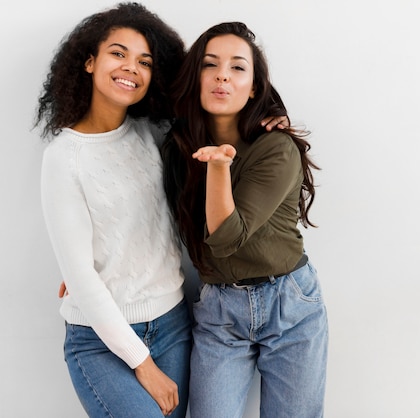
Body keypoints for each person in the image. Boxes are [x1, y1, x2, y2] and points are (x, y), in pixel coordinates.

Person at [161, 21, 329, 418]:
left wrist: (219, 166)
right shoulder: (175, 148)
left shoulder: (276, 147)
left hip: (290, 305)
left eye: (238, 67)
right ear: (195, 78)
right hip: (219, 309)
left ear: (254, 87)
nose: (223, 74)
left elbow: (225, 238)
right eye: (210, 64)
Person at [35, 4, 190, 417]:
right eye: (118, 53)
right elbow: (81, 275)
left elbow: (216, 113)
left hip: (173, 323)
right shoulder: (64, 156)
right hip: (99, 339)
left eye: (144, 61)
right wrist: (142, 364)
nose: (131, 68)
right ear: (89, 62)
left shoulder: (152, 134)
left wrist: (272, 118)